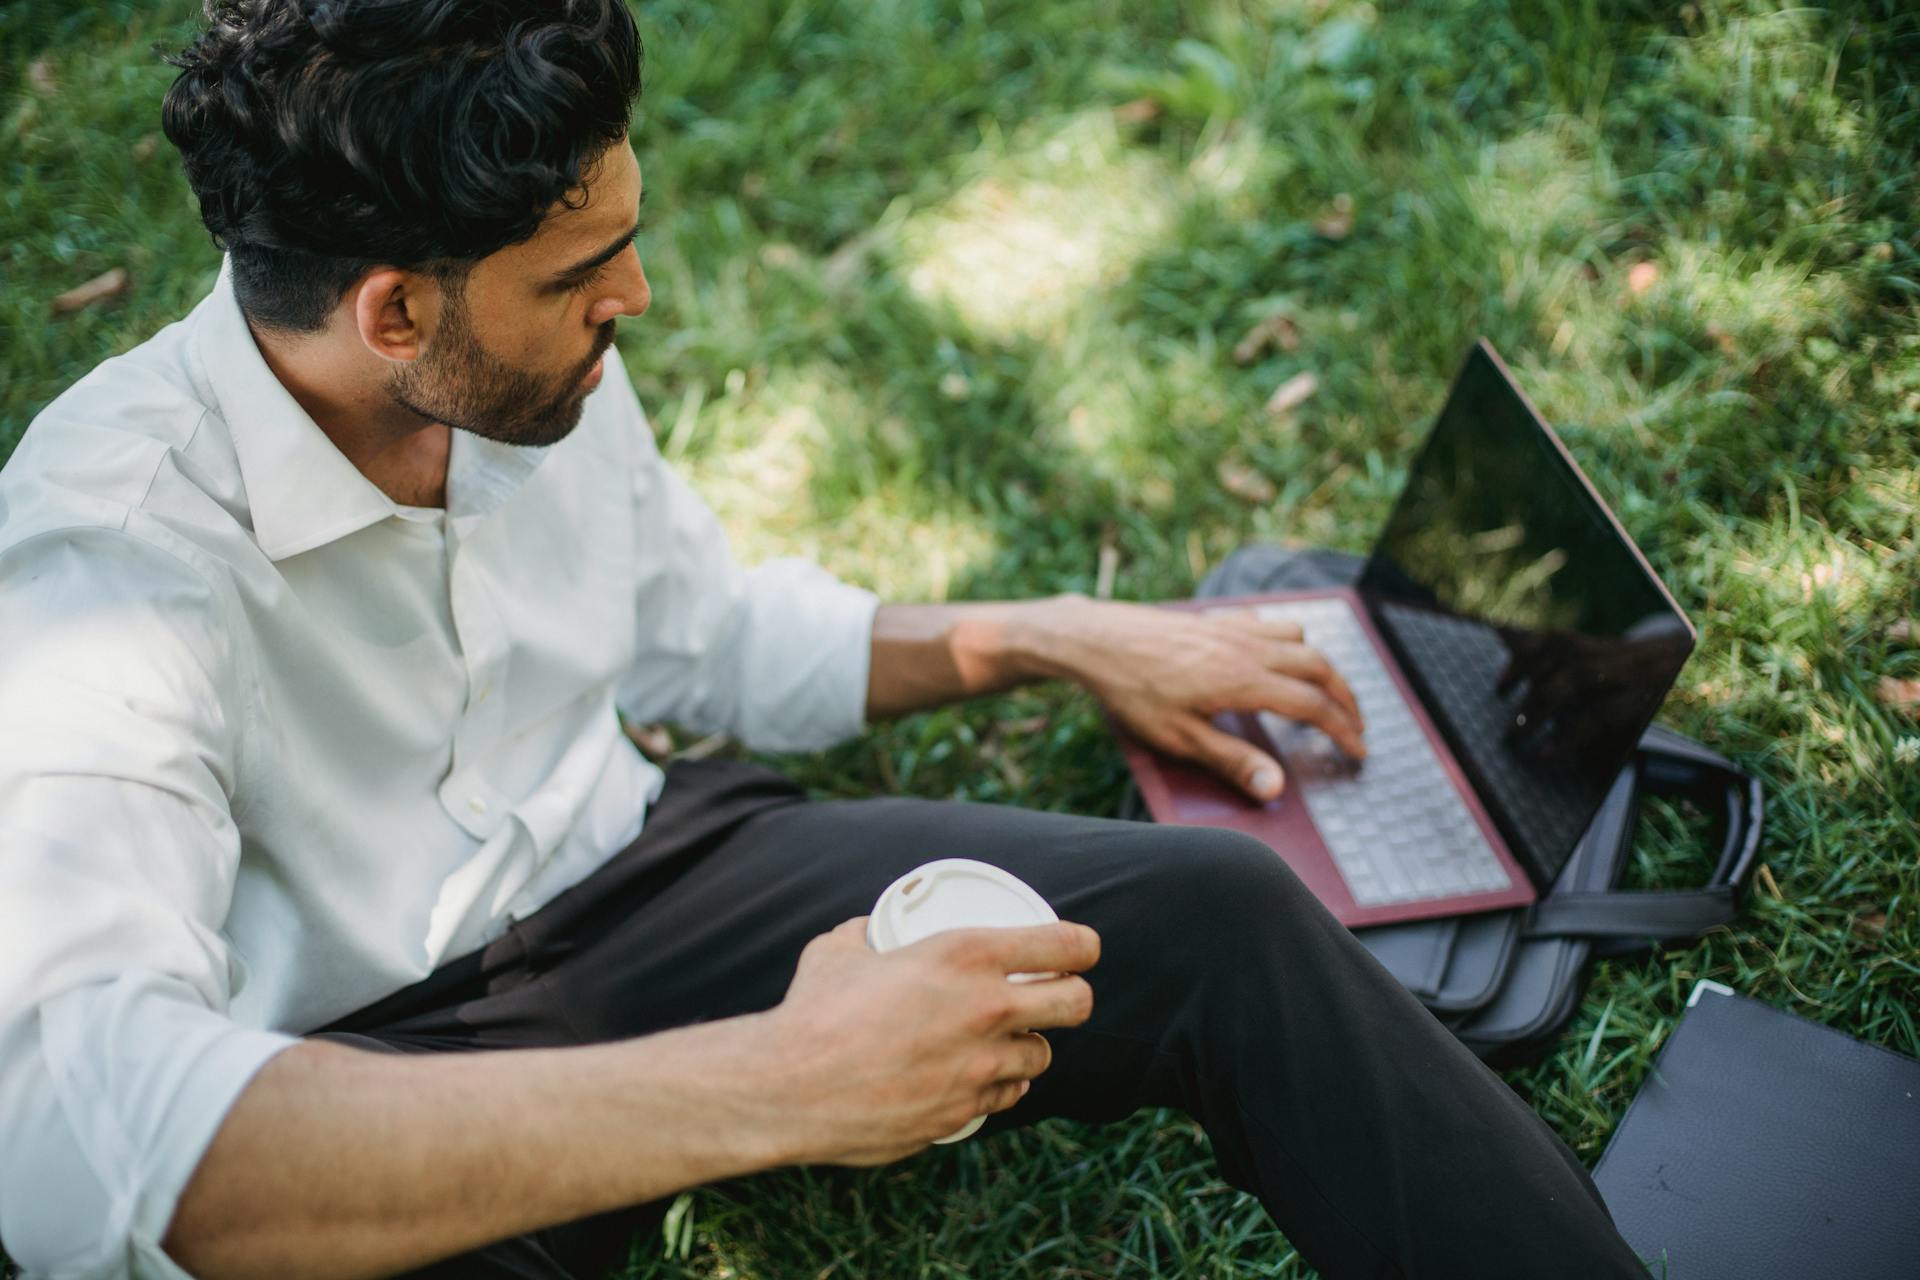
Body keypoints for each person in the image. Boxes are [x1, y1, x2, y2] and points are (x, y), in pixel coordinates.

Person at [0, 3, 1647, 1277]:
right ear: (396, 312)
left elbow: (701, 636)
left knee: (1220, 914)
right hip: (351, 1072)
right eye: (586, 271)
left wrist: (1057, 635)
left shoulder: (524, 364)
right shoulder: (106, 555)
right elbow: (74, 1144)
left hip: (645, 872)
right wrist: (781, 1080)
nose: (634, 295)